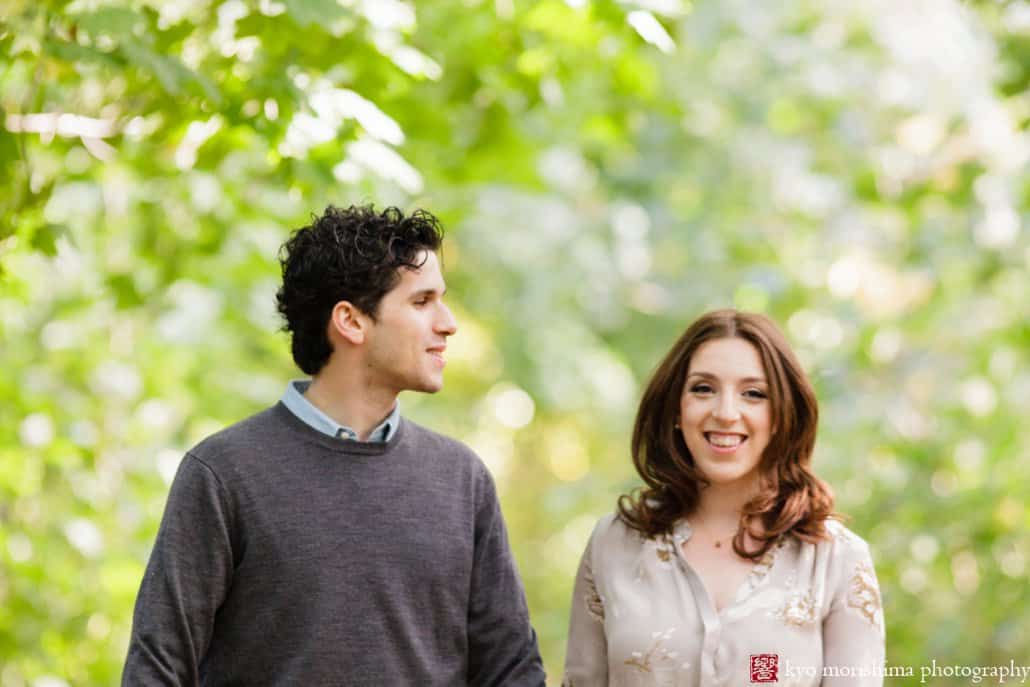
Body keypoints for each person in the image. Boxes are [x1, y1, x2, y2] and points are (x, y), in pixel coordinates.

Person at [123, 205, 545, 686]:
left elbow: (512, 672)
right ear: (351, 321)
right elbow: (157, 670)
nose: (447, 323)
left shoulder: (462, 479)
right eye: (422, 301)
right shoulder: (223, 474)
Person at [563, 309, 884, 687]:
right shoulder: (614, 543)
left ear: (781, 414)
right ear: (676, 410)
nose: (726, 413)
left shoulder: (837, 560)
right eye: (703, 388)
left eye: (753, 394)